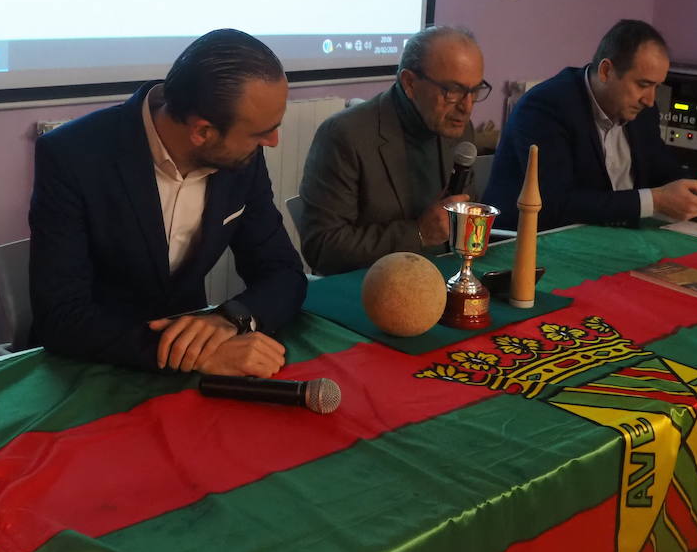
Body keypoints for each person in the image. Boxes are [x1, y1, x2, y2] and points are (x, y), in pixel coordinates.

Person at [29, 29, 305, 377]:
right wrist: (191, 354)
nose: (274, 141)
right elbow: (61, 316)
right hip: (90, 368)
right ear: (202, 131)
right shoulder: (72, 156)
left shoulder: (242, 156)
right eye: (261, 132)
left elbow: (283, 272)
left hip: (186, 372)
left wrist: (230, 320)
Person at [483, 19, 697, 230]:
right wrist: (657, 200)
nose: (650, 100)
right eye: (642, 84)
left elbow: (661, 168)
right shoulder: (545, 108)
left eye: (656, 87)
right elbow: (556, 203)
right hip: (530, 243)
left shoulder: (642, 110)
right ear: (606, 71)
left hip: (606, 236)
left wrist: (695, 191)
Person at [297, 26, 487, 276]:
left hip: (442, 279)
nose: (467, 106)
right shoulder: (346, 134)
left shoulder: (459, 129)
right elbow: (322, 249)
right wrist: (419, 233)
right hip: (369, 287)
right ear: (409, 82)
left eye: (475, 91)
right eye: (453, 91)